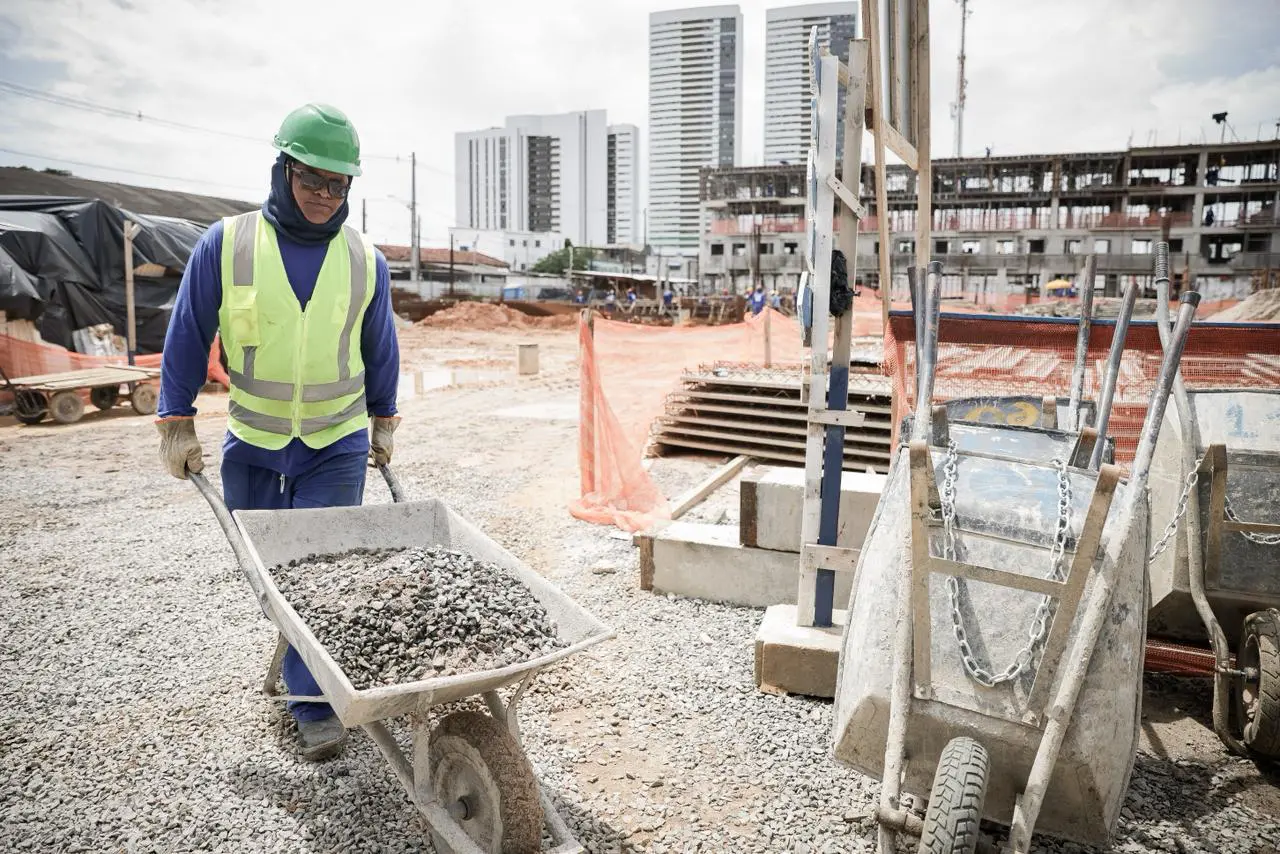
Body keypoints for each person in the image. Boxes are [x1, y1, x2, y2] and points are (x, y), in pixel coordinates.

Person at [155, 104, 400, 761]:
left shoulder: (363, 260)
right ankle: (306, 665)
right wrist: (174, 421)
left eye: (337, 185)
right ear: (282, 169)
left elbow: (381, 347)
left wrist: (384, 420)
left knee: (315, 575)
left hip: (336, 441)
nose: (323, 197)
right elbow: (187, 333)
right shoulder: (227, 244)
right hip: (254, 443)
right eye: (310, 180)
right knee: (274, 576)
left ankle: (313, 702)